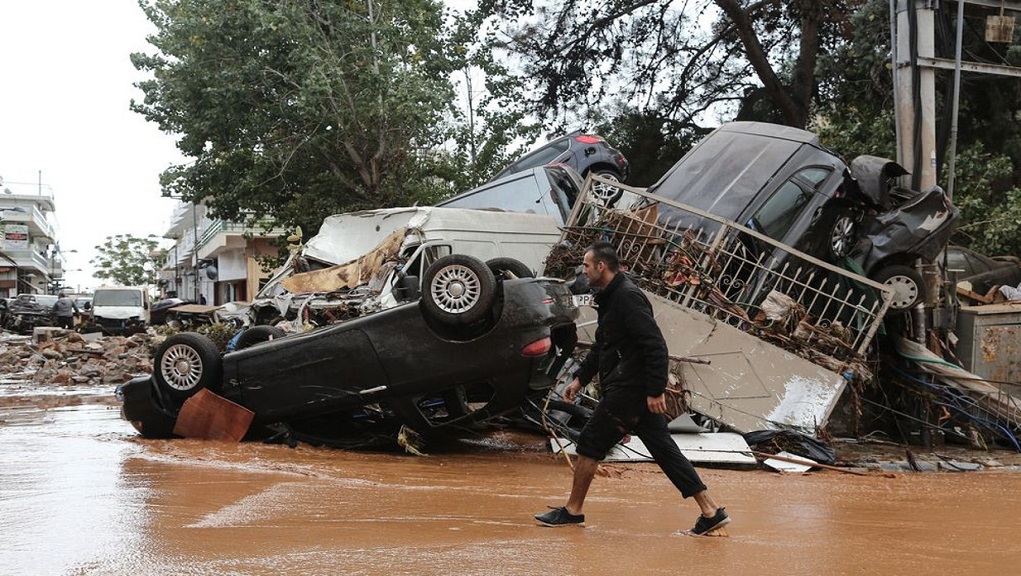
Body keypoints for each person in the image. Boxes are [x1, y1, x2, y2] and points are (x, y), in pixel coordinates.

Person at [534, 241, 731, 535]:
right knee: (663, 449)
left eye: (587, 266)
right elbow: (604, 343)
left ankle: (573, 510)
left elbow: (655, 345)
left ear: (602, 266)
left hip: (631, 388)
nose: (583, 271)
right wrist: (580, 378)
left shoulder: (628, 298)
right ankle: (711, 510)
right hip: (631, 387)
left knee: (589, 443)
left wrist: (655, 390)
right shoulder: (608, 297)